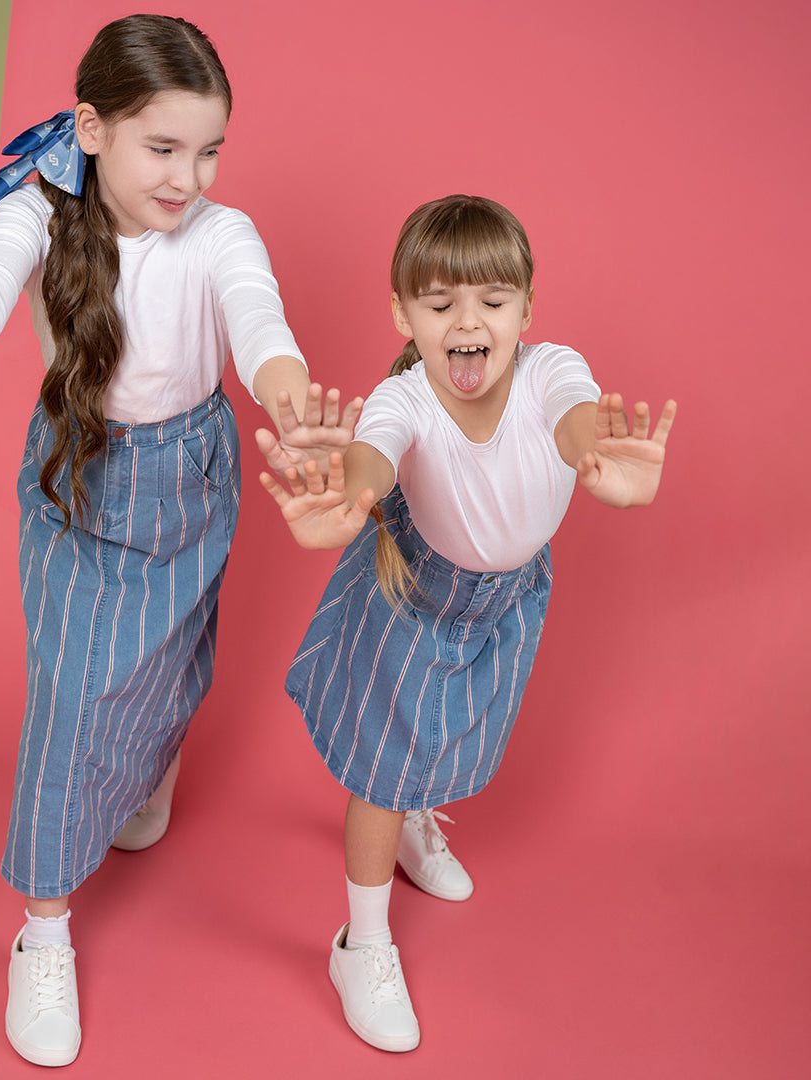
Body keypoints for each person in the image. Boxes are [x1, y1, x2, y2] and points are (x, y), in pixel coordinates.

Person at [0, 14, 358, 1068]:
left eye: (210, 149)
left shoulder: (221, 233)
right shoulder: (41, 211)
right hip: (83, 477)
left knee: (178, 661)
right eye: (164, 147)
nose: (190, 175)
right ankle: (42, 932)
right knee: (69, 697)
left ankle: (148, 777)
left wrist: (293, 399)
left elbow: (261, 326)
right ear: (92, 127)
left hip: (195, 473)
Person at [258, 194, 676, 1052]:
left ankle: (419, 827)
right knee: (382, 766)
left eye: (491, 301)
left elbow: (574, 422)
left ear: (527, 307)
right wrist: (353, 491)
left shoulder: (555, 369)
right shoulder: (404, 398)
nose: (467, 323)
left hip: (511, 597)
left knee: (451, 736)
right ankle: (360, 944)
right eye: (440, 304)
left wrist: (602, 460)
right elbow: (374, 450)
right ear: (402, 313)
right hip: (418, 596)